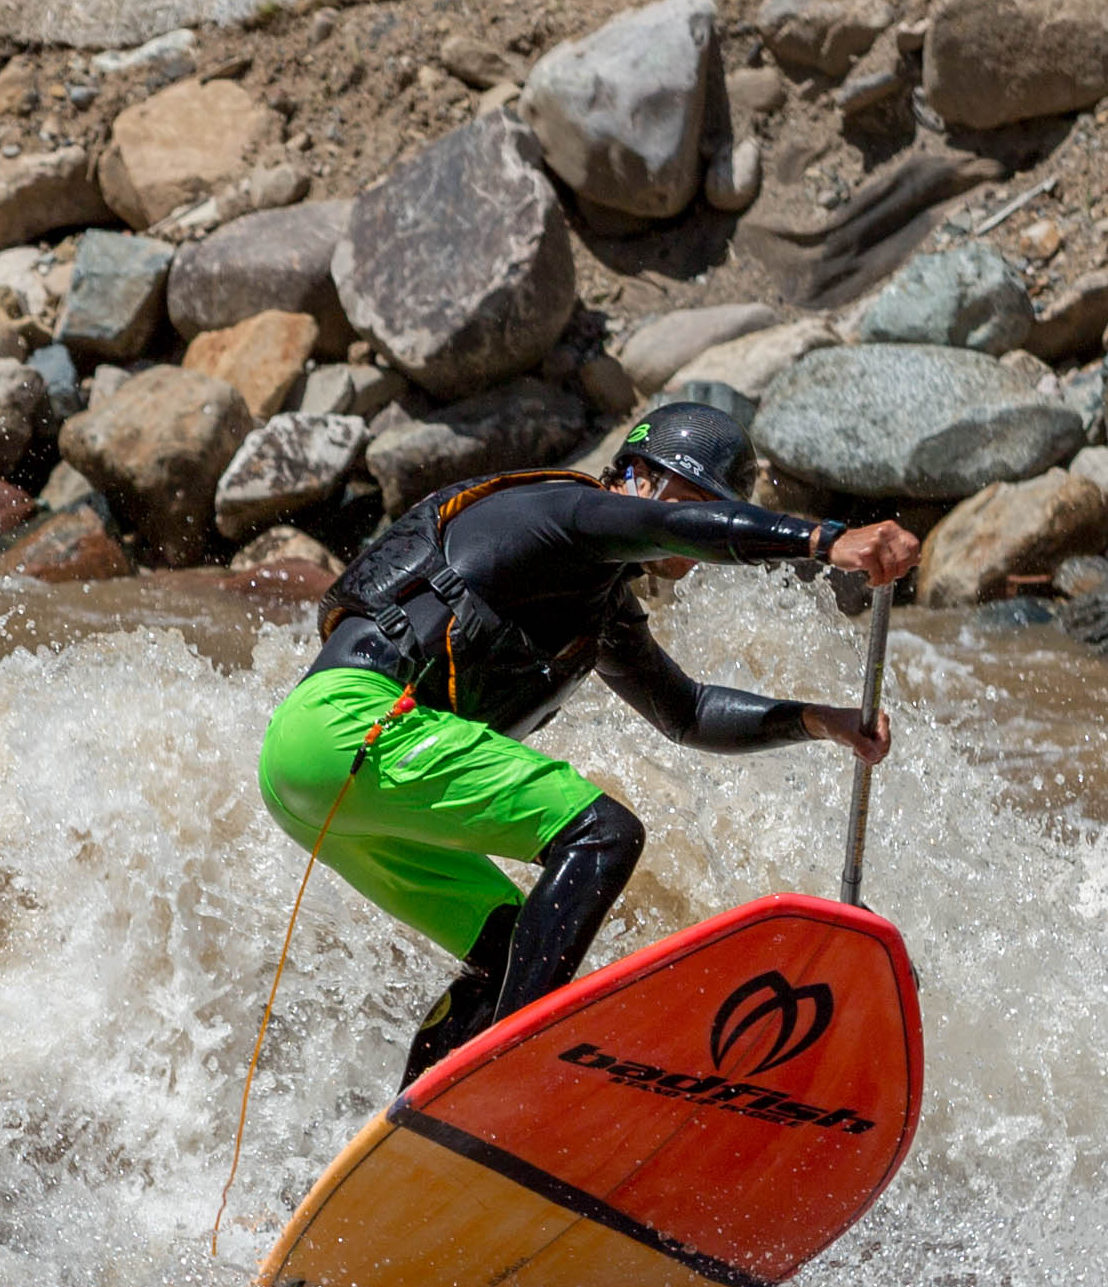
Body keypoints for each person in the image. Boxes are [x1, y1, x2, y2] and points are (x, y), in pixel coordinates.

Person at [255, 395, 924, 1085]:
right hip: (345, 726)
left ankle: (425, 1120)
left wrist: (819, 721)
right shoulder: (563, 513)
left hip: (316, 781)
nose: (685, 546)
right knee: (603, 834)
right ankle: (507, 1072)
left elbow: (687, 711)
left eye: (707, 503)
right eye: (689, 496)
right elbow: (674, 526)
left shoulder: (597, 603)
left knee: (511, 950)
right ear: (636, 476)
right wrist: (825, 541)